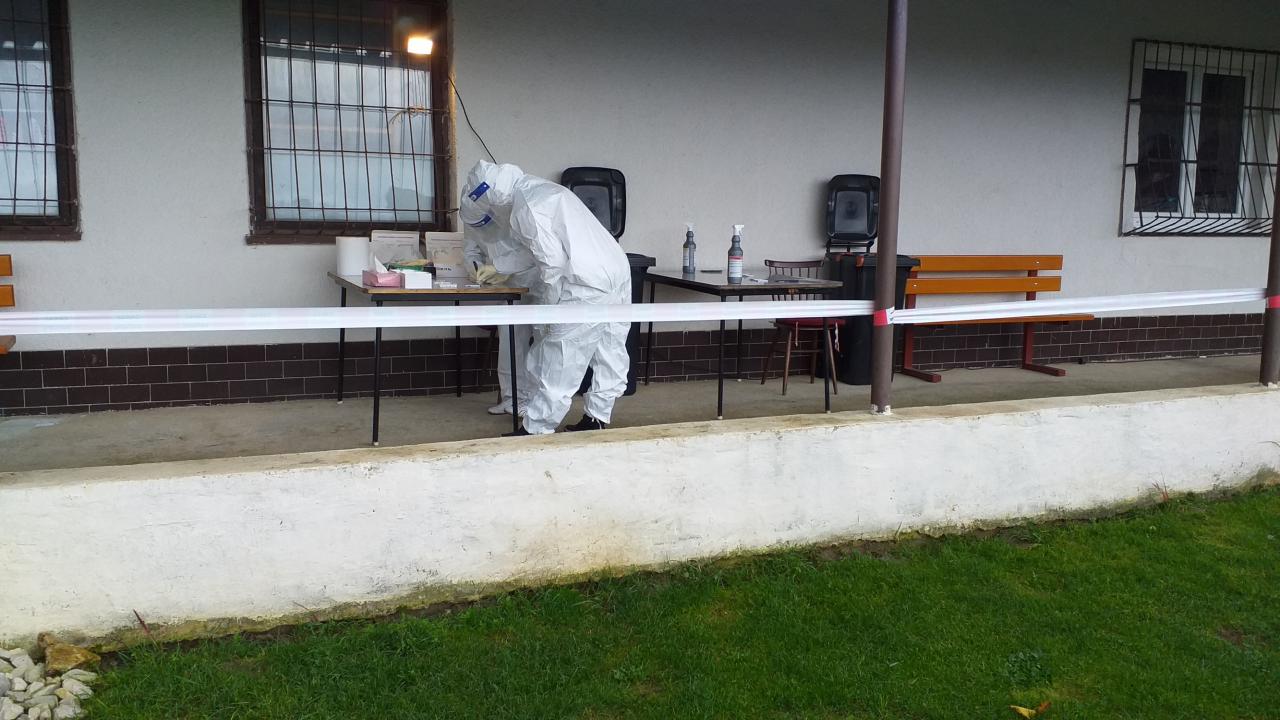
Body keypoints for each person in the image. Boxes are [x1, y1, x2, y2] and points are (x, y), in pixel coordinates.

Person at [458, 160, 631, 436]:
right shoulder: (539, 189)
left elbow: (551, 264)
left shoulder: (525, 206)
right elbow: (537, 251)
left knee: (560, 356)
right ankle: (597, 418)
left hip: (584, 282)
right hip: (615, 269)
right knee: (609, 348)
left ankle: (536, 428)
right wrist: (500, 267)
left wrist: (549, 313)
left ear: (490, 197)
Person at [462, 204, 536, 417]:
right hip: (508, 288)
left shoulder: (515, 212)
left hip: (536, 282)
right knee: (510, 343)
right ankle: (512, 397)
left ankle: (536, 401)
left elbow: (532, 251)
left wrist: (504, 267)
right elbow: (471, 251)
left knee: (542, 344)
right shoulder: (471, 215)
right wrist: (476, 269)